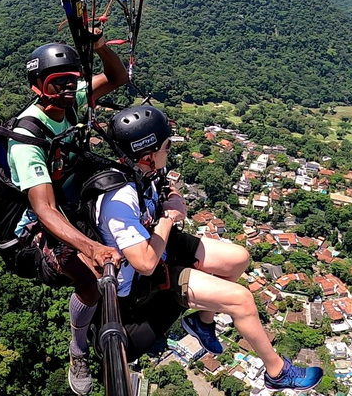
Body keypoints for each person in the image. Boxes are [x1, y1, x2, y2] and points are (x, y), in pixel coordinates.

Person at [95, 105, 323, 392]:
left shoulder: (143, 172)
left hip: (161, 243)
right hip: (145, 280)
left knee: (238, 258)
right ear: (148, 155)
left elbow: (167, 191)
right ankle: (276, 371)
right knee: (241, 300)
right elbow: (144, 263)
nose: (170, 152)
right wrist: (169, 217)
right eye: (166, 147)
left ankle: (203, 323)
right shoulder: (120, 199)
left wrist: (173, 201)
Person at [7, 34, 128, 395]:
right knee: (90, 284)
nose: (65, 89)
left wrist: (103, 46)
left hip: (74, 193)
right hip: (42, 219)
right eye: (54, 82)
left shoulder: (73, 100)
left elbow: (117, 78)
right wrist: (89, 247)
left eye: (71, 80)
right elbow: (43, 208)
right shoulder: (26, 137)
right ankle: (78, 348)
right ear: (36, 87)